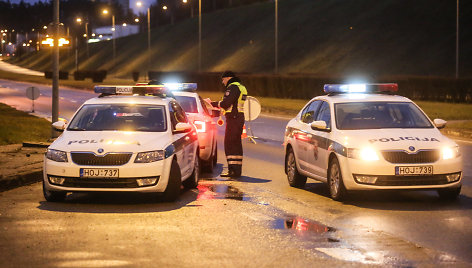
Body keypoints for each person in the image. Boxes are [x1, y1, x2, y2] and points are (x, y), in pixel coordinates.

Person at [211, 71, 247, 178]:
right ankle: (236, 171)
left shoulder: (233, 87)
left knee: (230, 144)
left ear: (228, 78)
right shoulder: (241, 87)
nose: (223, 82)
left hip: (234, 118)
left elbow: (226, 103)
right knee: (235, 144)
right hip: (237, 117)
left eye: (223, 79)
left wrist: (214, 103)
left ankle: (233, 171)